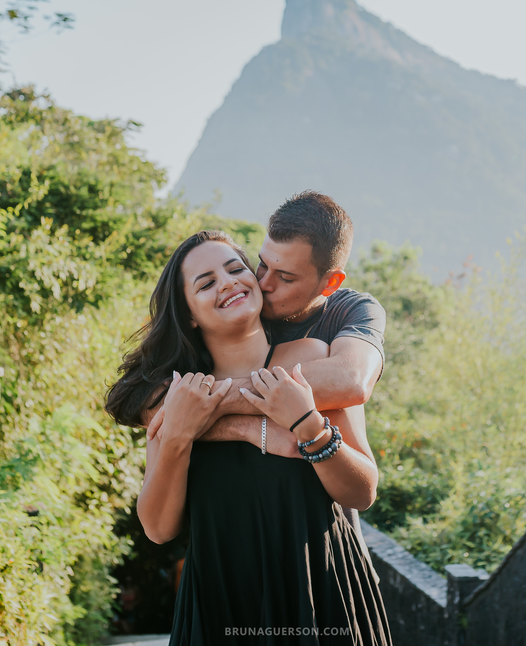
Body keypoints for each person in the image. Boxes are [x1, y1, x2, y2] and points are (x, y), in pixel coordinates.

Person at [105, 230, 391, 645]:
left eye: (236, 268)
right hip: (220, 603)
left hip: (318, 591)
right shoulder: (177, 396)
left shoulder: (312, 362)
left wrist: (308, 425)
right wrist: (180, 437)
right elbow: (159, 527)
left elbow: (362, 492)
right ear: (189, 314)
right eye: (205, 283)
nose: (227, 282)